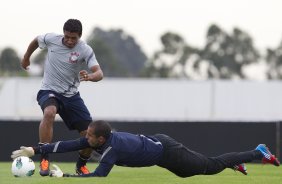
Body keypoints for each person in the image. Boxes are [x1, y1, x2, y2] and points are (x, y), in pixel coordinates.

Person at [11, 120, 280, 177]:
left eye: (90, 136)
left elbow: (100, 175)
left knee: (210, 166)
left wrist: (66, 177)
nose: (86, 138)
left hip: (167, 150)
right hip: (158, 147)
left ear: (101, 140)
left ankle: (258, 152)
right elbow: (68, 144)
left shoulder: (111, 150)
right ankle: (231, 161)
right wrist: (36, 150)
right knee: (189, 174)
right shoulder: (102, 140)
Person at [20, 19, 103, 176]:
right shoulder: (51, 39)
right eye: (67, 37)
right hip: (49, 90)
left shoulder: (85, 49)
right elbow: (36, 41)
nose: (70, 41)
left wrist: (90, 77)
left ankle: (81, 166)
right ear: (63, 33)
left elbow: (99, 73)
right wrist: (26, 57)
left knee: (90, 135)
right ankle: (44, 158)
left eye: (74, 38)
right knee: (49, 112)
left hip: (72, 96)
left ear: (80, 36)